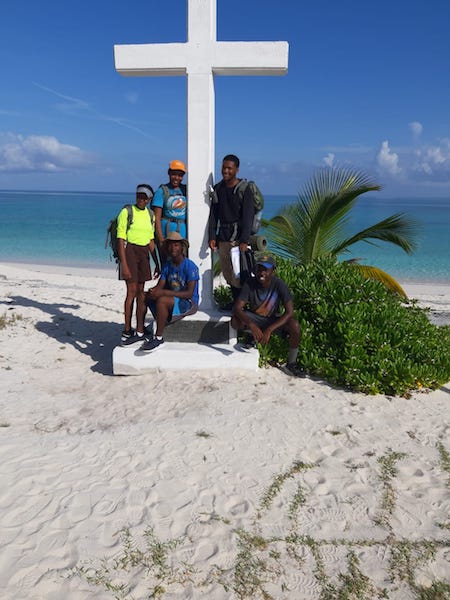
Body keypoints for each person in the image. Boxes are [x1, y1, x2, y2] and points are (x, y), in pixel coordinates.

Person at [231, 254, 303, 375]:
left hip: (272, 320)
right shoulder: (250, 283)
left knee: (295, 326)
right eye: (259, 269)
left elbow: (290, 312)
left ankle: (291, 363)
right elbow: (237, 308)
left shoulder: (279, 284)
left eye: (265, 269)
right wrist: (251, 325)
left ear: (273, 271)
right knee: (235, 321)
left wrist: (270, 329)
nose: (261, 273)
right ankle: (252, 336)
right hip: (255, 318)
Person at [141, 231, 199, 352]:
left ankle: (159, 337)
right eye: (171, 245)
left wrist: (164, 293)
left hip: (188, 302)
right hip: (173, 299)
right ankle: (140, 331)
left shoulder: (190, 266)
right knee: (142, 296)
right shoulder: (167, 266)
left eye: (176, 245)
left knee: (162, 300)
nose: (173, 248)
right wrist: (153, 291)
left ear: (182, 247)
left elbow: (189, 293)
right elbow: (160, 286)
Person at [208, 154, 255, 302]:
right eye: (224, 167)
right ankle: (236, 304)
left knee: (240, 274)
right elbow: (214, 214)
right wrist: (212, 236)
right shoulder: (219, 188)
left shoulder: (244, 189)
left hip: (238, 239)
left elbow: (248, 216)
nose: (225, 171)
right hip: (223, 238)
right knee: (228, 273)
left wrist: (244, 240)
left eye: (229, 168)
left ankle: (243, 305)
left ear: (237, 169)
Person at [118, 184, 159, 346]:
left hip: (143, 255)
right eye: (139, 196)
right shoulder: (127, 212)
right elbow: (121, 238)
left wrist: (157, 262)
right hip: (130, 253)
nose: (141, 199)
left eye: (144, 197)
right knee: (131, 292)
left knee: (141, 293)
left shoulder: (150, 215)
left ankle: (140, 328)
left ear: (149, 199)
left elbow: (150, 240)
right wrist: (125, 266)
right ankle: (127, 329)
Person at [151, 160, 188, 259]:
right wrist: (160, 239)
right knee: (166, 264)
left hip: (182, 234)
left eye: (180, 175)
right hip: (166, 232)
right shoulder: (162, 191)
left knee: (181, 263)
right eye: (174, 174)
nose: (177, 178)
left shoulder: (186, 190)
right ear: (169, 173)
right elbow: (157, 217)